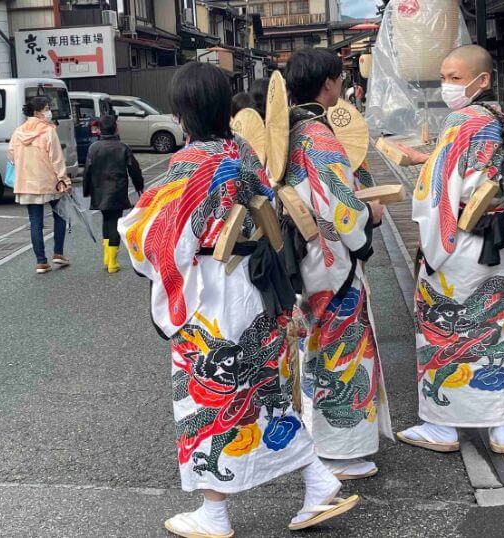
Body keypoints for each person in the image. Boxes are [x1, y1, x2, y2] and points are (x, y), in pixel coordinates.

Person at [120, 62, 358, 538]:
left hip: (212, 294)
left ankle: (214, 514)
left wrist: (132, 230)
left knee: (209, 396)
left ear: (181, 112)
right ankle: (317, 479)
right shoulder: (243, 151)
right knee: (264, 390)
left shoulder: (190, 163)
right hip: (255, 286)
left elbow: (156, 238)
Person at [397, 44, 504, 455]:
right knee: (492, 329)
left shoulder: (461, 119)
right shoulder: (502, 116)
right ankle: (502, 429)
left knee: (440, 325)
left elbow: (436, 188)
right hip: (497, 236)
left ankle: (442, 427)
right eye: (444, 77)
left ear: (481, 79)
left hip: (461, 239)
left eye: (454, 77)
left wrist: (431, 244)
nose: (447, 85)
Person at [283, 47, 389, 481]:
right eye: (340, 81)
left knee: (318, 346)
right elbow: (342, 204)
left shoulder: (288, 130)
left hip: (305, 255)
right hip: (330, 260)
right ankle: (342, 450)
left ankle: (321, 437)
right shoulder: (319, 135)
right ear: (328, 83)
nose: (342, 87)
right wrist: (371, 216)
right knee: (344, 348)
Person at [9, 96, 71, 274]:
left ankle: (41, 261)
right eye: (46, 108)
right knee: (60, 215)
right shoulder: (48, 131)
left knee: (35, 222)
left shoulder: (18, 132)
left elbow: (11, 156)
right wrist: (64, 180)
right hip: (49, 182)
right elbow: (57, 159)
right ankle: (58, 253)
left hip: (26, 183)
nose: (49, 111)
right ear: (37, 112)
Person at [82, 114, 144, 273]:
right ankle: (112, 262)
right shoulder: (123, 147)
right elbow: (134, 169)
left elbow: (87, 171)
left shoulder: (93, 148)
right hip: (117, 189)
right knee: (115, 222)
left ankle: (106, 257)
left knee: (106, 220)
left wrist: (86, 189)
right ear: (115, 128)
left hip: (99, 190)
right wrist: (139, 187)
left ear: (100, 129)